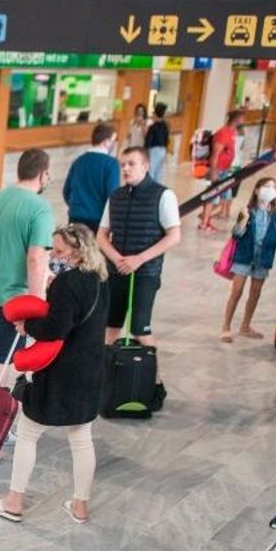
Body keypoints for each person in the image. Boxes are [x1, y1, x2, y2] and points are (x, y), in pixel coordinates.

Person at [0, 224, 109, 526]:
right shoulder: (102, 280)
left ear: (77, 251)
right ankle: (79, 506)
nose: (55, 255)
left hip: (59, 373)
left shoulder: (66, 283)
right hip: (90, 371)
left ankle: (14, 501)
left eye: (60, 251)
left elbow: (56, 328)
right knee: (81, 438)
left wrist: (28, 328)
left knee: (28, 433)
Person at [98, 147, 182, 411]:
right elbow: (101, 235)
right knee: (110, 327)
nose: (125, 169)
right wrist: (116, 258)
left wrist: (139, 259)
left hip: (145, 273)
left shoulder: (163, 195)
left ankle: (155, 384)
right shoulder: (116, 196)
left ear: (145, 166)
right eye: (123, 164)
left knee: (139, 328)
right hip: (117, 271)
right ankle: (103, 381)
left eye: (131, 164)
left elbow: (173, 236)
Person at [0, 148, 56, 382]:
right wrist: (35, 303)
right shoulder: (40, 208)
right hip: (12, 298)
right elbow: (36, 258)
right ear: (43, 175)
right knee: (2, 362)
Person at [221, 178, 276, 343]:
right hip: (244, 256)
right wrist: (243, 221)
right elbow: (236, 234)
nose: (269, 190)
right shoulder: (247, 211)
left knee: (255, 293)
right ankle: (226, 327)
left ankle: (245, 325)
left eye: (273, 188)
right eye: (266, 187)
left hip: (263, 259)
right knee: (236, 292)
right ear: (257, 190)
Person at [62, 124, 121, 234]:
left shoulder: (78, 161)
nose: (114, 144)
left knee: (75, 251)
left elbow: (66, 192)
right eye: (113, 140)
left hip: (75, 217)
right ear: (106, 142)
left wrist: (78, 206)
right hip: (98, 220)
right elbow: (113, 196)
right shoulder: (111, 164)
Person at [199, 110, 243, 232]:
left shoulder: (231, 133)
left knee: (224, 197)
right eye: (241, 118)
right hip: (218, 169)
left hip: (224, 169)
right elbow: (215, 154)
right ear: (236, 119)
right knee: (213, 196)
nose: (243, 120)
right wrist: (214, 171)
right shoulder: (223, 133)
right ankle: (204, 222)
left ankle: (206, 218)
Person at [145, 103, 171, 182]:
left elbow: (148, 141)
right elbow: (167, 139)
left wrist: (145, 151)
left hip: (153, 151)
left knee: (151, 171)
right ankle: (157, 190)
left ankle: (150, 189)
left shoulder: (152, 127)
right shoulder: (165, 126)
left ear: (155, 114)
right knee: (159, 172)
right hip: (162, 150)